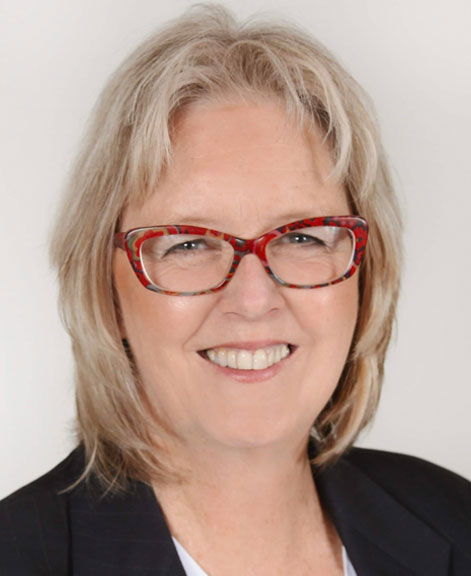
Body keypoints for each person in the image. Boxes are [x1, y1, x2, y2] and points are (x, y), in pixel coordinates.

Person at [1, 5, 470, 575]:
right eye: (188, 244)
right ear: (107, 292)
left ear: (366, 275)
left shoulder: (455, 519)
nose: (253, 299)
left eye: (301, 236)